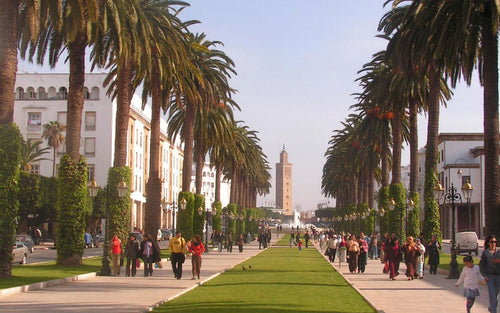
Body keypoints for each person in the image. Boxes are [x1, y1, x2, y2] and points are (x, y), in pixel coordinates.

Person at [479, 234, 500, 313]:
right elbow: (482, 264)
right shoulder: (486, 252)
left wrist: (498, 261)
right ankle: (494, 311)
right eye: (492, 242)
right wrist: (484, 275)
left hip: (498, 275)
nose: (493, 243)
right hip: (489, 276)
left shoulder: (499, 251)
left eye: (495, 242)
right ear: (488, 243)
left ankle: (492, 308)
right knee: (492, 294)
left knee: (496, 295)